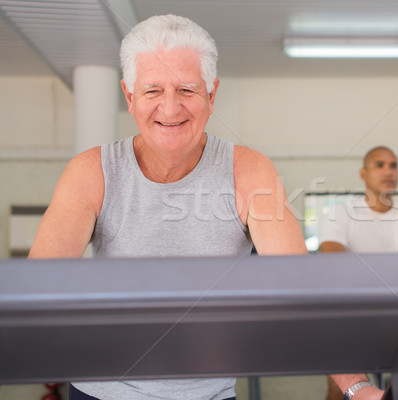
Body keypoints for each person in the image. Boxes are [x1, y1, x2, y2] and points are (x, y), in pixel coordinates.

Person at [28, 14, 310, 400]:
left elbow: (301, 288)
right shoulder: (90, 172)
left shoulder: (249, 171)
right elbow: (40, 283)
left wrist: (357, 388)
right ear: (129, 97)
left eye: (187, 90)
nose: (171, 108)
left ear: (212, 94)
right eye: (152, 91)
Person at [319, 146, 398, 400]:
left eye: (393, 165)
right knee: (339, 383)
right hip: (353, 313)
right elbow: (331, 262)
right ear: (363, 174)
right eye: (380, 165)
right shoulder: (341, 213)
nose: (389, 171)